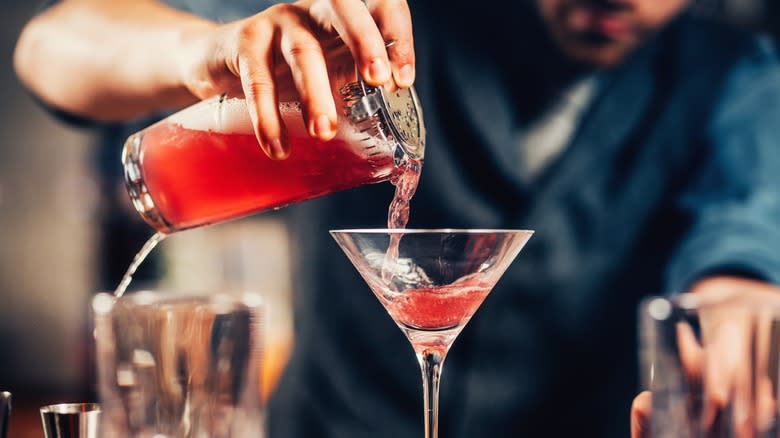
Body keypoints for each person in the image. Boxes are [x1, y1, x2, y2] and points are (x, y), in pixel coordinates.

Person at [14, 0, 780, 436]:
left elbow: (743, 233)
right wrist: (205, 50)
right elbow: (50, 47)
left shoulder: (735, 76)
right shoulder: (376, 27)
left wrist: (735, 315)